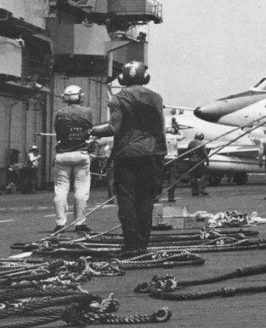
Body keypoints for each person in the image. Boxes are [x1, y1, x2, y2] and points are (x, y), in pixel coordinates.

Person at [90, 61, 166, 254]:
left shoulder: (118, 98)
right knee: (146, 200)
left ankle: (131, 244)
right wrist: (161, 155)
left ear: (123, 78)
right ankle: (143, 243)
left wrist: (91, 130)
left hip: (126, 155)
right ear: (145, 77)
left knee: (126, 200)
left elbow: (113, 128)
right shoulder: (156, 98)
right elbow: (160, 129)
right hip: (150, 154)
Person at [52, 85, 94, 234]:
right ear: (80, 97)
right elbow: (89, 130)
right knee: (81, 190)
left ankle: (60, 223)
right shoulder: (87, 112)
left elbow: (58, 132)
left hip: (63, 155)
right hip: (81, 154)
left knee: (61, 190)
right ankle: (80, 223)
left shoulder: (60, 113)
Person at [187, 132, 209, 196]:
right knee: (204, 174)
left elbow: (188, 152)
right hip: (199, 161)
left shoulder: (190, 143)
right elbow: (204, 153)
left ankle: (194, 191)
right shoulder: (202, 143)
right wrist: (207, 160)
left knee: (193, 176)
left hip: (191, 160)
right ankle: (201, 189)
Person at [163, 126, 180, 202]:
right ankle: (171, 197)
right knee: (172, 178)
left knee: (160, 178)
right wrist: (177, 128)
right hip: (173, 158)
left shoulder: (163, 137)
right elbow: (183, 136)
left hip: (164, 158)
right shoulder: (175, 137)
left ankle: (156, 196)